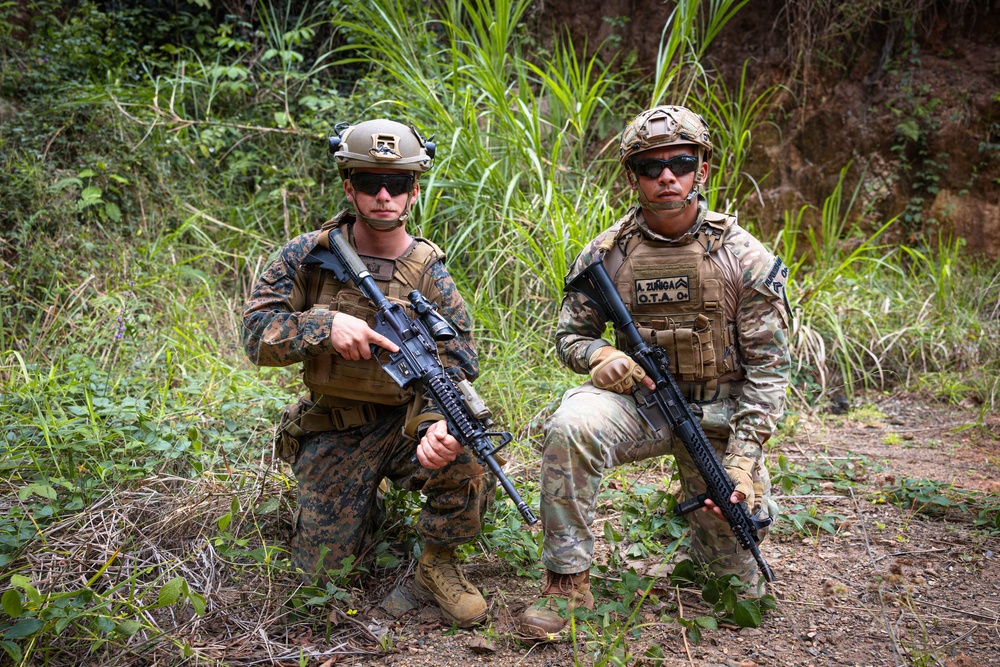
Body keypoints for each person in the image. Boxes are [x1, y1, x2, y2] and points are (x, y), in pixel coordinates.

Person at [517, 105, 792, 640]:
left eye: (681, 163)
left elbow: (770, 369)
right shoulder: (607, 255)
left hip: (717, 415)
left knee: (736, 586)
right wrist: (599, 357)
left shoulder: (743, 256)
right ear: (632, 177)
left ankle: (723, 527)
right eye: (651, 166)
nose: (667, 176)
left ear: (702, 170)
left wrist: (742, 460)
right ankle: (566, 582)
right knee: (571, 425)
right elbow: (569, 337)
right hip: (640, 405)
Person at [242, 119, 494, 628]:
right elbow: (255, 334)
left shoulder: (429, 270)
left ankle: (437, 563)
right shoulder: (308, 255)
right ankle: (363, 501)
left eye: (396, 184)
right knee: (319, 583)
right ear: (348, 187)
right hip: (334, 427)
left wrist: (436, 425)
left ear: (413, 191)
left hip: (404, 425)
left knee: (467, 451)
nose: (383, 195)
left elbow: (458, 358)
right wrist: (324, 326)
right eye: (369, 182)